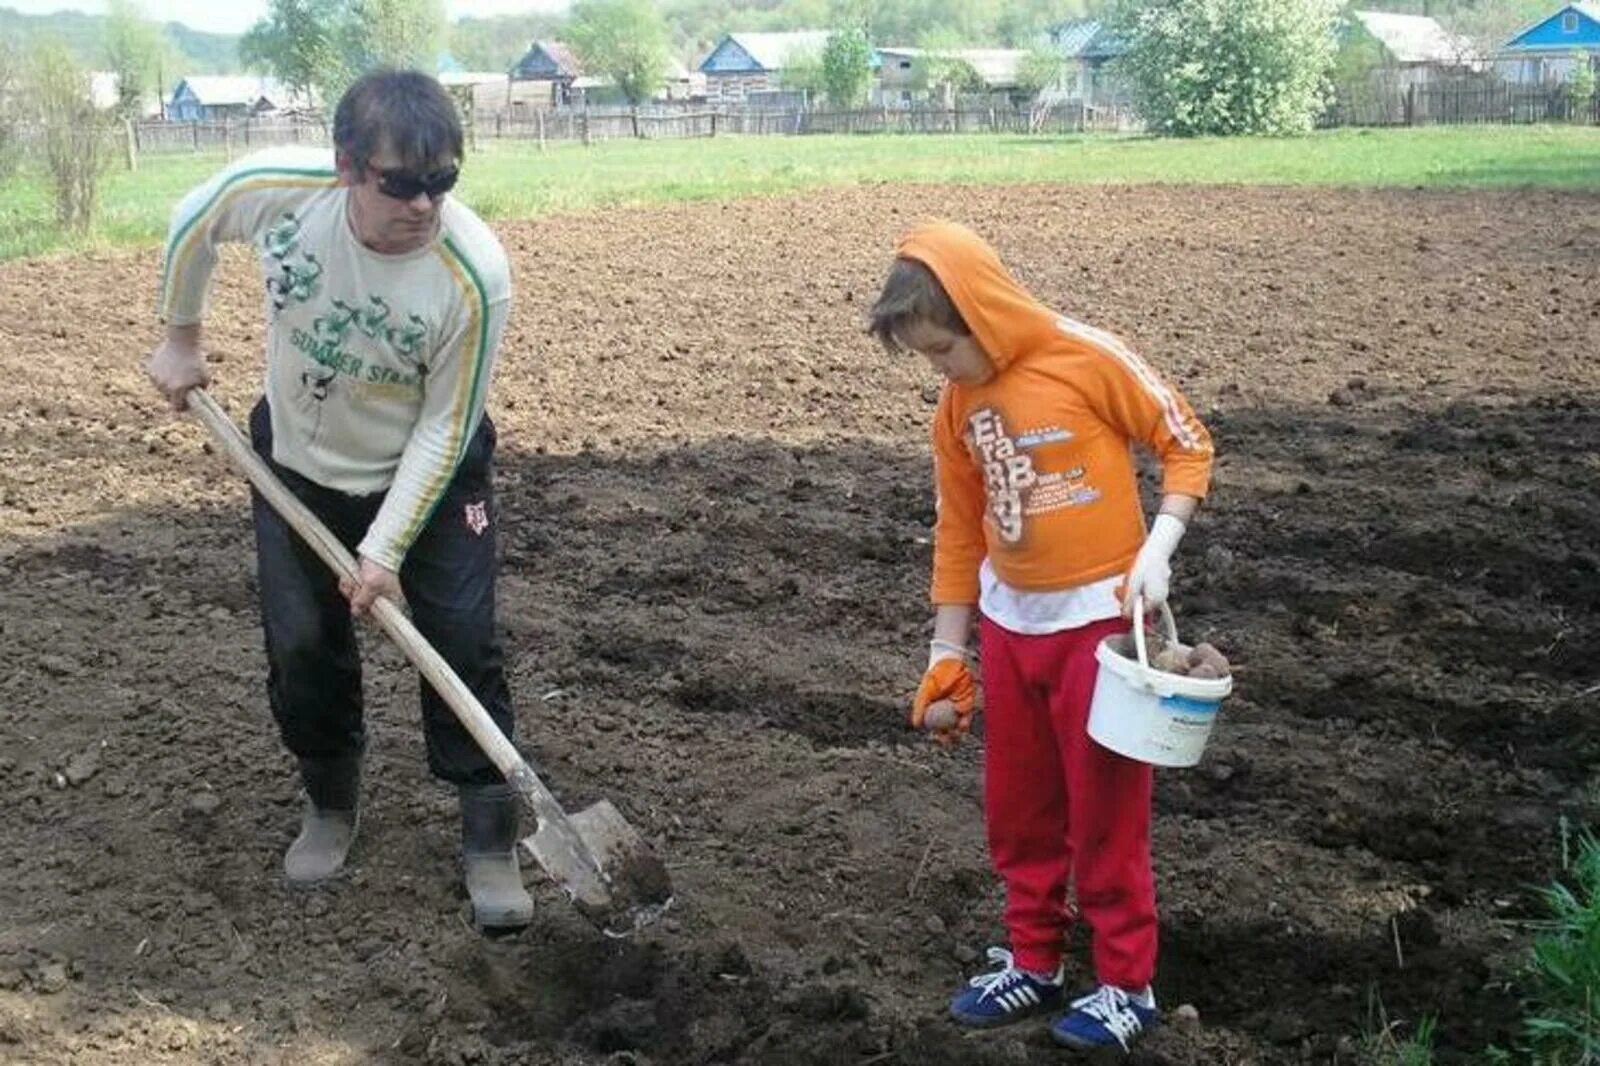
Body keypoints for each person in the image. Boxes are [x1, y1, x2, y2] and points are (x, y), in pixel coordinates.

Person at [145, 69, 531, 933]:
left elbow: (444, 429)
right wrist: (182, 336)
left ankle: (490, 833)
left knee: (462, 642)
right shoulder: (279, 193)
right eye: (401, 183)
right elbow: (194, 222)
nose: (424, 204)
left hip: (427, 477)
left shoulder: (473, 276)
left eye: (442, 182)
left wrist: (385, 548)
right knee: (304, 644)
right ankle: (329, 801)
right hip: (297, 459)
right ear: (348, 167)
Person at [869, 220, 1214, 1051]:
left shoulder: (1085, 355)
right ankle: (1034, 960)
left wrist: (1158, 553)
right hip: (1010, 629)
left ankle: (1127, 985)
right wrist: (947, 654)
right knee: (1019, 810)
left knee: (1104, 811)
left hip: (1098, 631)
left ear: (984, 314)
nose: (940, 370)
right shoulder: (957, 410)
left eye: (945, 348)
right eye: (927, 357)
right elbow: (960, 531)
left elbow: (1188, 446)